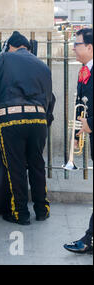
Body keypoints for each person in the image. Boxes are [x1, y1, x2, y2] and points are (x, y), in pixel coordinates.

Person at [0, 31, 55, 225]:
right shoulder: (43, 66)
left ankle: (20, 213)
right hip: (39, 120)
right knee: (37, 164)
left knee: (15, 166)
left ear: (11, 46)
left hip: (11, 119)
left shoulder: (4, 58)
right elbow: (50, 98)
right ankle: (42, 209)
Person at [63, 28, 92, 254]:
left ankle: (89, 239)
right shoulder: (84, 71)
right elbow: (80, 108)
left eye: (77, 44)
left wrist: (90, 123)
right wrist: (76, 135)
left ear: (90, 47)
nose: (73, 47)